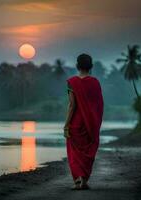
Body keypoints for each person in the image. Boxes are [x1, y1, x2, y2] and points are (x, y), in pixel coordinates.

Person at [63, 54, 104, 190]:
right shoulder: (95, 83)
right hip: (91, 124)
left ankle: (77, 180)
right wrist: (96, 122)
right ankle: (84, 180)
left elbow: (72, 105)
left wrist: (66, 125)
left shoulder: (72, 82)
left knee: (74, 154)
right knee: (88, 152)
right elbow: (99, 105)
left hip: (76, 124)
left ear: (77, 66)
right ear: (91, 66)